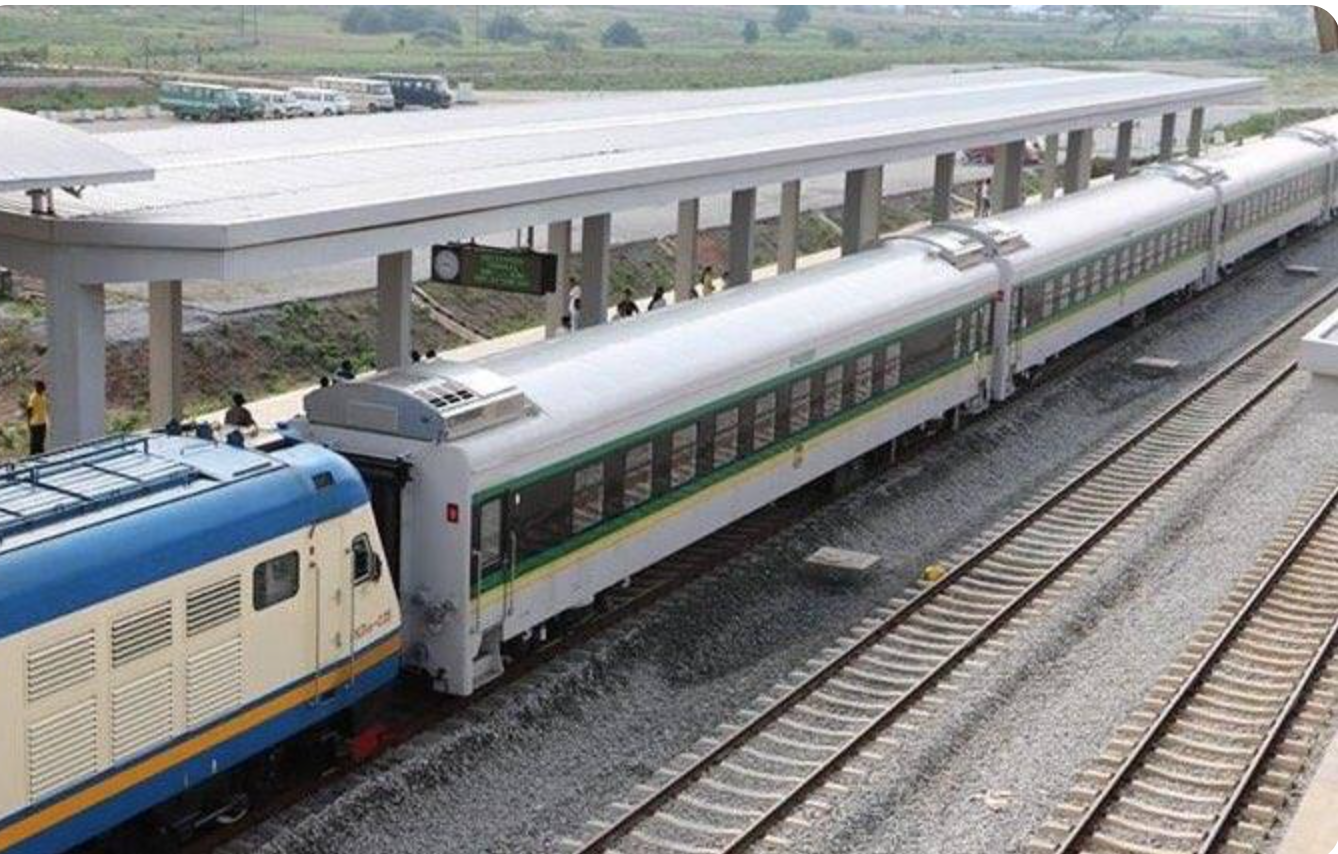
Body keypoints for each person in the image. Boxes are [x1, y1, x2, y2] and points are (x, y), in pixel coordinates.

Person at [24, 379, 47, 456]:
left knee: (41, 442)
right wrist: (29, 422)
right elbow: (29, 410)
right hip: (35, 423)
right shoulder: (33, 397)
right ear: (37, 387)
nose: (44, 388)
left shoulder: (43, 396)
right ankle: (32, 458)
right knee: (35, 443)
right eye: (42, 387)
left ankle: (41, 456)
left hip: (42, 422)